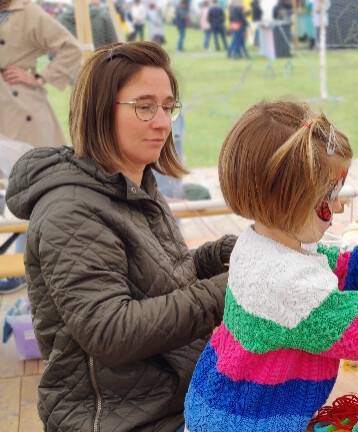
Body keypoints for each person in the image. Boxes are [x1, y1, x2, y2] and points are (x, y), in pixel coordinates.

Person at [183, 99, 358, 431]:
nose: (340, 205)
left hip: (223, 413)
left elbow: (344, 268)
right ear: (290, 201)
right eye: (329, 196)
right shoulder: (289, 281)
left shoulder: (264, 245)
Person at [5, 41, 235, 431]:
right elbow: (111, 330)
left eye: (167, 106)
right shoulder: (71, 210)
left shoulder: (133, 182)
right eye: (144, 106)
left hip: (174, 398)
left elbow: (160, 280)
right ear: (99, 111)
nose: (163, 123)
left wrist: (223, 254)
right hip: (122, 419)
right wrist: (236, 287)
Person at [0, 0, 82, 294]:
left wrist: (38, 77)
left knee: (34, 193)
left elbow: (69, 47)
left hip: (23, 112)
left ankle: (26, 268)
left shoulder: (27, 10)